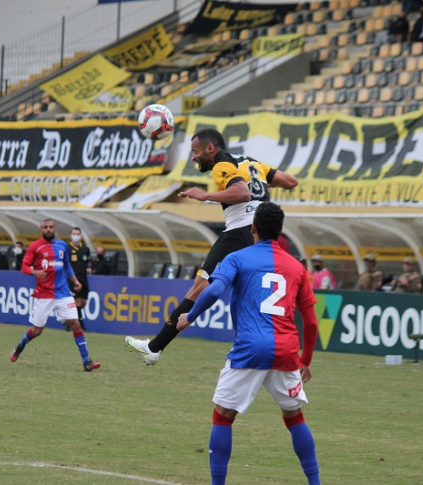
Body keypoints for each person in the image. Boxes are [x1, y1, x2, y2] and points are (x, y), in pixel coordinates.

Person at [125, 128, 298, 365]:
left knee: (199, 289)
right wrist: (259, 185)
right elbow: (291, 181)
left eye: (195, 152)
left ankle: (154, 348)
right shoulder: (251, 164)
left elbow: (242, 193)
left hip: (240, 232)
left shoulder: (221, 165)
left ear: (210, 148)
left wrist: (205, 195)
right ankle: (270, 348)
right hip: (262, 234)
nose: (193, 157)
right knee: (243, 292)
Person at [176, 202, 320, 485]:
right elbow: (312, 323)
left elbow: (215, 289)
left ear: (253, 228)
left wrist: (189, 317)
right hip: (287, 350)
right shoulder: (297, 268)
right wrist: (306, 361)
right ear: (280, 232)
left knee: (223, 416)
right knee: (294, 416)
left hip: (250, 348)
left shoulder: (237, 258)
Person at [9, 219, 100, 372]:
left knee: (75, 324)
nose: (49, 229)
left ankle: (86, 361)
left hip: (63, 292)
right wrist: (34, 271)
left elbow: (67, 266)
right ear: (41, 230)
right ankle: (20, 346)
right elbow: (24, 267)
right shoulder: (35, 247)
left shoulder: (62, 245)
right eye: (45, 227)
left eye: (51, 227)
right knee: (37, 330)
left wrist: (75, 280)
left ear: (55, 229)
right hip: (44, 294)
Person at [68, 227, 91, 331]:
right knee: (76, 302)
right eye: (74, 233)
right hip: (73, 278)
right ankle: (80, 325)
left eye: (77, 234)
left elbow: (89, 261)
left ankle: (68, 321)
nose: (76, 235)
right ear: (71, 235)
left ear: (81, 236)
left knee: (83, 302)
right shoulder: (67, 248)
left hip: (83, 278)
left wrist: (89, 267)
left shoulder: (85, 249)